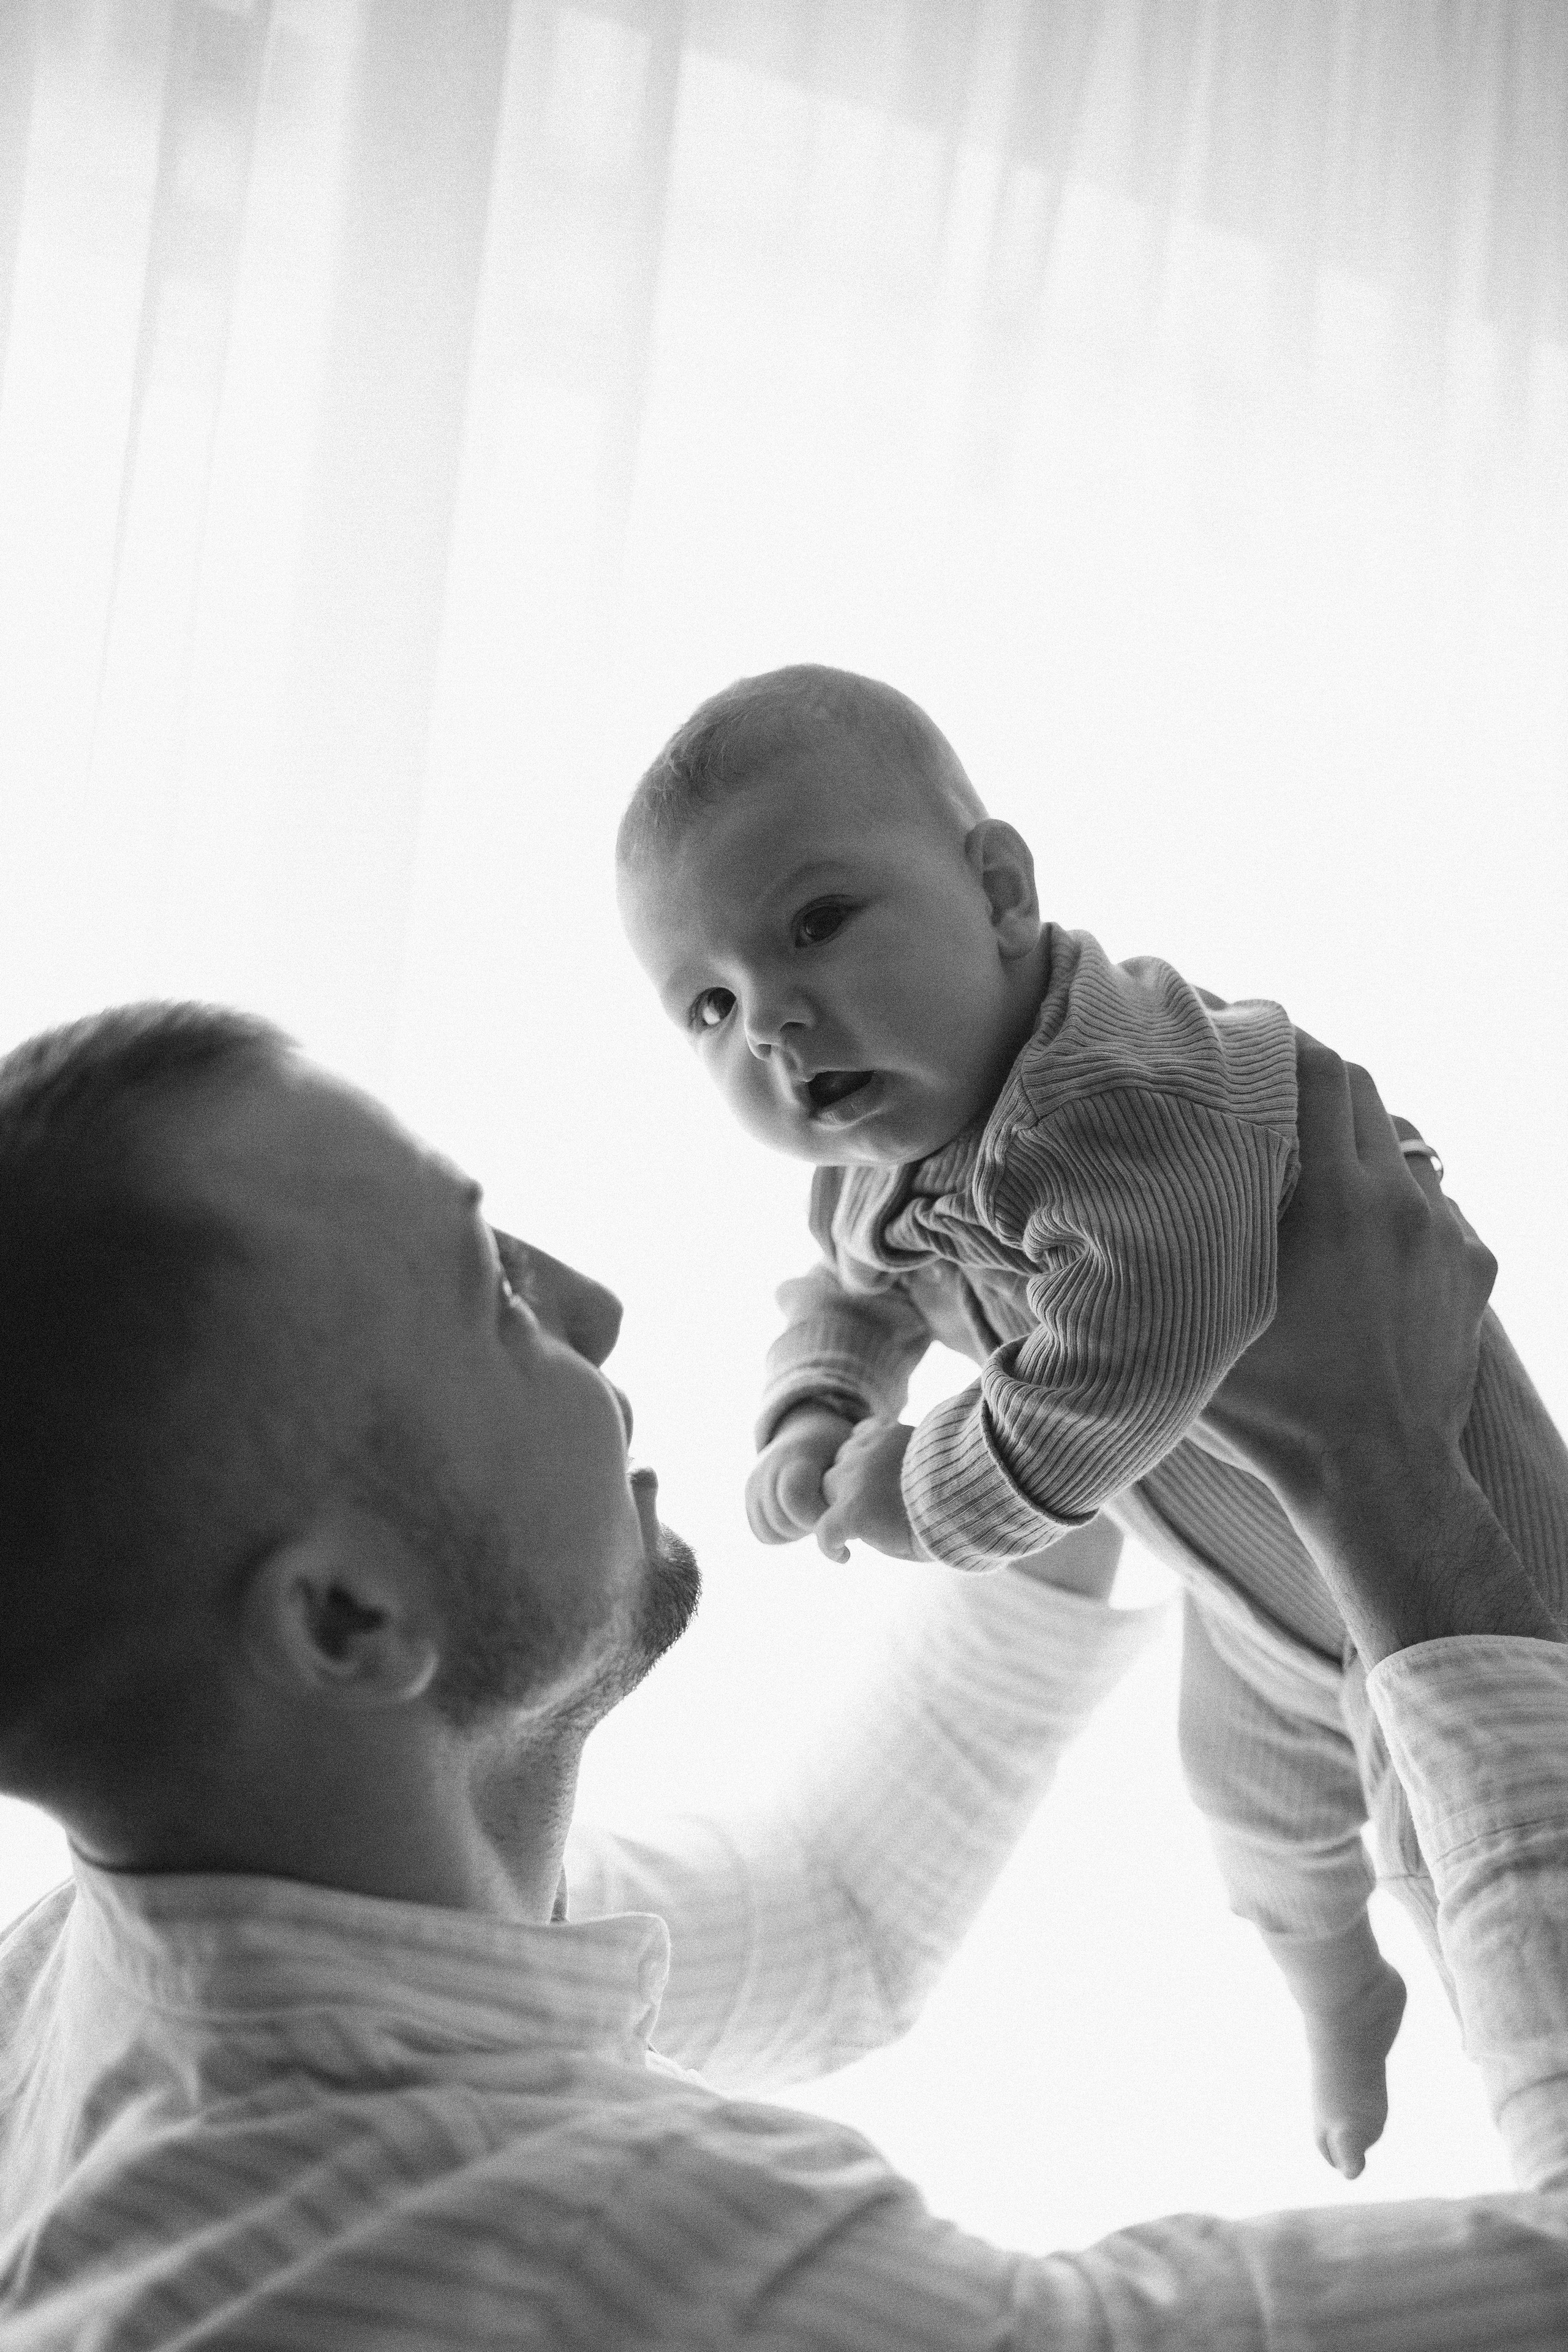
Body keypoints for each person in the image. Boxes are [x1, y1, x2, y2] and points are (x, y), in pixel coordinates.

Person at [0, 1003, 1564, 2352]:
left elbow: (835, 1926)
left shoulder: (116, 1967)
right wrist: (1387, 1474)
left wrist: (1070, 1376)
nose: (594, 1306)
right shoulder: (599, 2268)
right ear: (347, 1620)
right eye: (484, 1289)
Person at [617, 663, 1568, 2177]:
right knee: (1246, 1815)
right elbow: (854, 1285)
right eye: (712, 1005)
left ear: (997, 889)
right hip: (1258, 1598)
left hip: (1471, 1590)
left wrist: (914, 1495)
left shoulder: (1121, 1101)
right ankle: (1337, 1993)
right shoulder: (894, 1132)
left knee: (1456, 1861)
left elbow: (1119, 1362)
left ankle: (1502, 2090)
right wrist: (820, 1402)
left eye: (815, 925)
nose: (777, 1024)